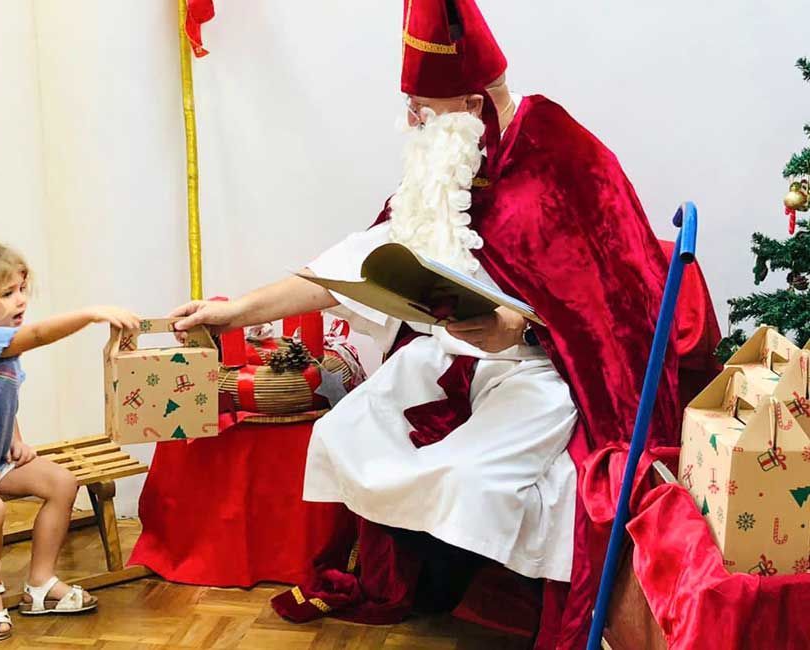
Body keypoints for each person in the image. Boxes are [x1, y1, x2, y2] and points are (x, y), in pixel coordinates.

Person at [171, 1, 680, 646]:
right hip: (449, 360)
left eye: (421, 107)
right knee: (349, 431)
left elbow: (620, 310)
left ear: (472, 107)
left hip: (547, 373)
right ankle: (425, 585)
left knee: (472, 480)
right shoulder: (445, 168)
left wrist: (521, 331)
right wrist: (233, 311)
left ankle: (505, 601)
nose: (410, 121)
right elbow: (346, 267)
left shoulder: (569, 162)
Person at [0, 239, 140, 641]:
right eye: (6, 293)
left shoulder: (0, 341)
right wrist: (91, 314)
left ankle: (40, 584)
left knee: (62, 483)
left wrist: (16, 438)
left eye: (21, 289)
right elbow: (39, 335)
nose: (20, 300)